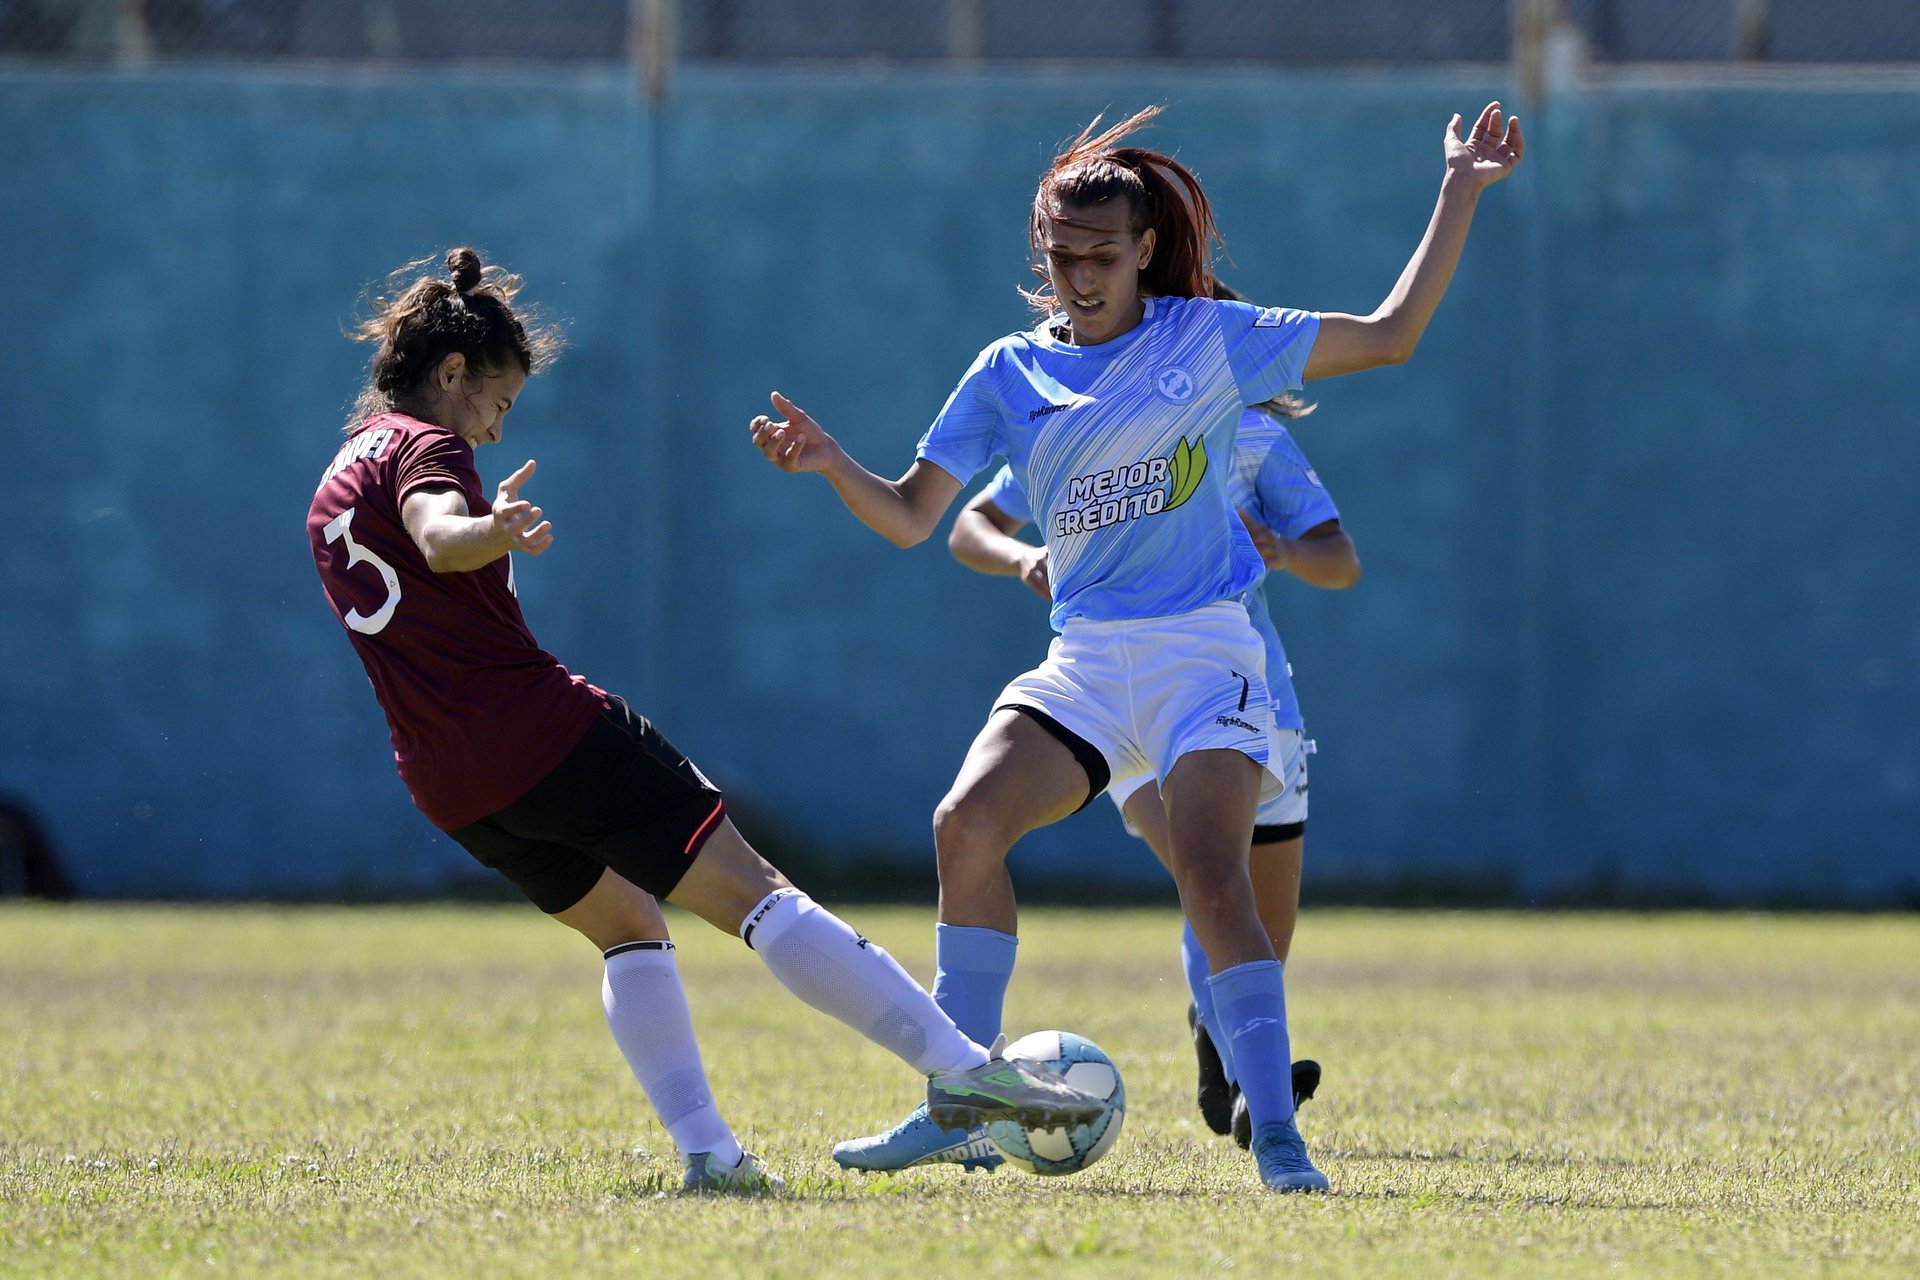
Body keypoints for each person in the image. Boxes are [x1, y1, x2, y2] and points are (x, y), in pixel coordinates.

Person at [750, 101, 1520, 1192]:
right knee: (964, 823)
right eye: (1061, 256)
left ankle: (1279, 1137)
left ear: (1147, 248)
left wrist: (1460, 190)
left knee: (1213, 876)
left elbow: (1391, 332)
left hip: (1205, 656)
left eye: (1103, 254)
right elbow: (919, 515)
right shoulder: (1007, 372)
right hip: (1086, 660)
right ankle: (964, 1098)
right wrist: (834, 463)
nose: (1080, 275)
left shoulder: (1205, 340)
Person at [306, 248, 1105, 1196]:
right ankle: (966, 1073)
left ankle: (711, 1157)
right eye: (498, 403)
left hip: (452, 782)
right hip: (542, 732)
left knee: (630, 927)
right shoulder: (426, 449)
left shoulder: (335, 478)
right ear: (449, 375)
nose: (491, 428)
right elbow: (440, 536)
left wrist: (481, 536)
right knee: (755, 892)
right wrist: (494, 531)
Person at [947, 376, 1359, 1152]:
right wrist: (1020, 556)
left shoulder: (1255, 437)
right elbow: (971, 523)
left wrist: (1290, 550)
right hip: (1123, 702)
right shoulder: (1078, 423)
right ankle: (1253, 1095)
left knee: (1255, 933)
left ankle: (1221, 1038)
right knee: (1208, 876)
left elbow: (1343, 561)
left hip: (1250, 702)